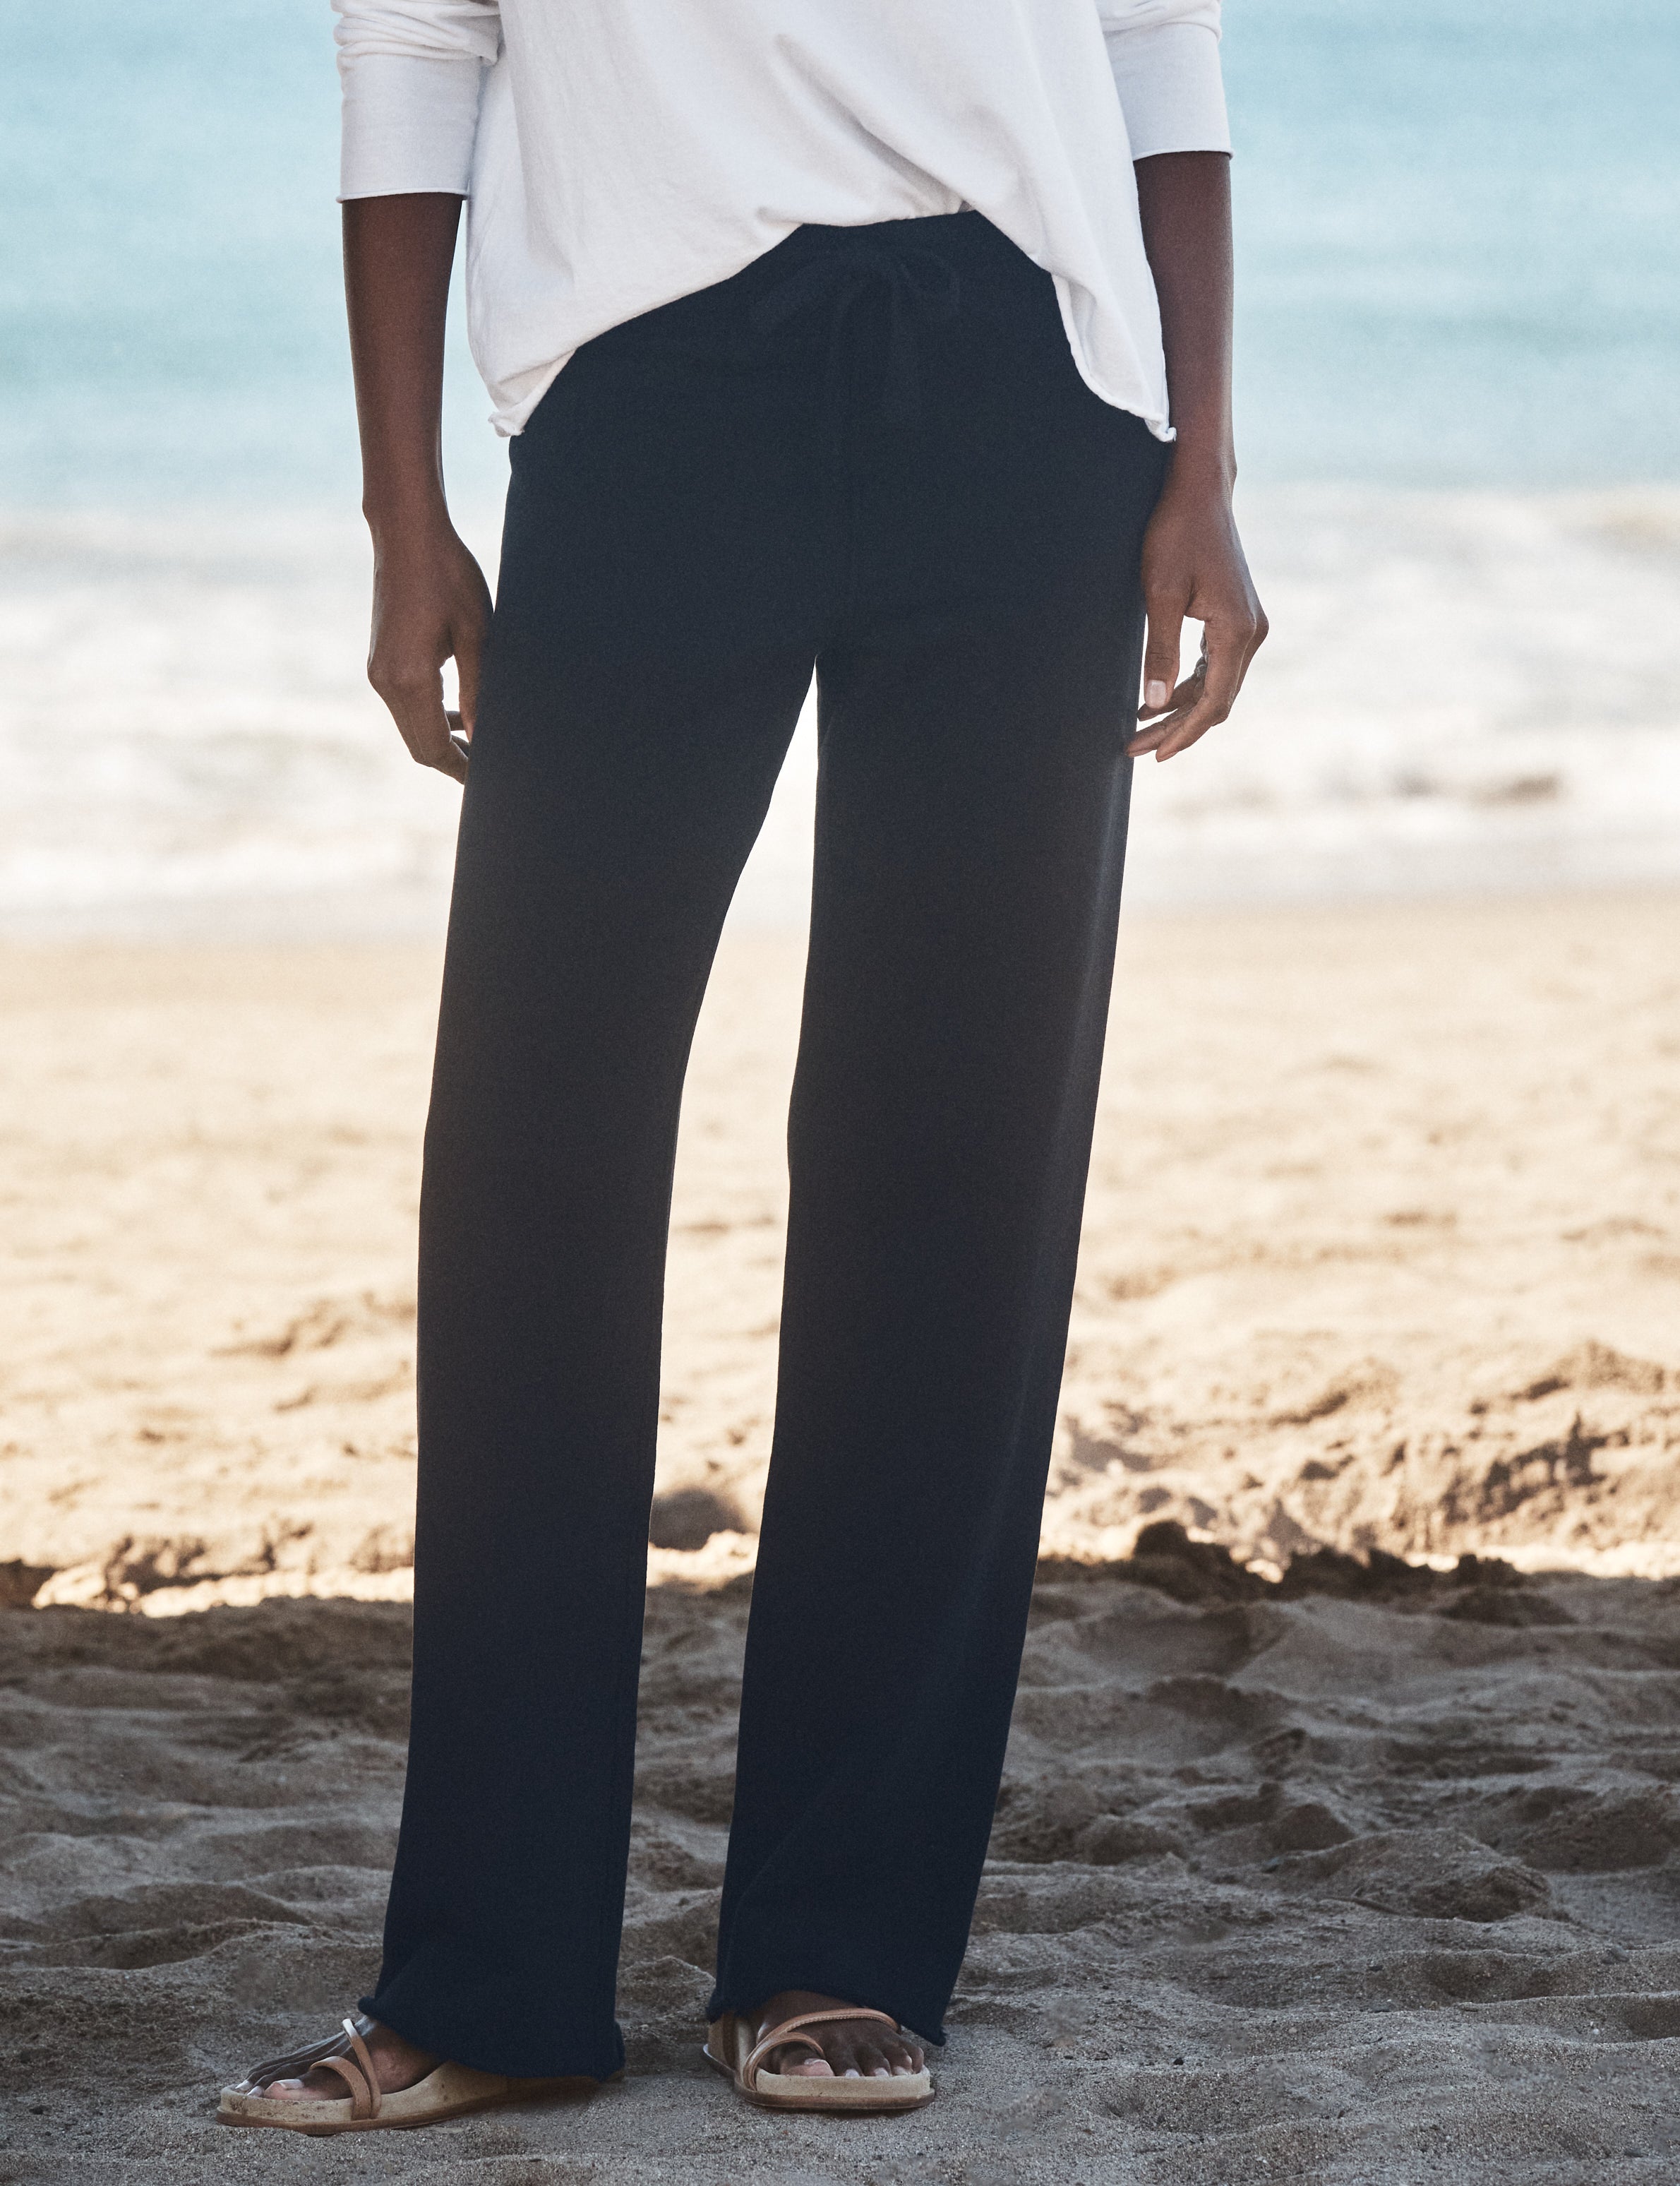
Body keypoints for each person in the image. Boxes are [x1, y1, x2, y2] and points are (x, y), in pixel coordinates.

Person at [217, 0, 1265, 2137]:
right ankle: (487, 1977)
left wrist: (1199, 465)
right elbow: (415, 56)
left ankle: (836, 1948)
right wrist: (401, 512)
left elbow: (1160, 48)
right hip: (646, 399)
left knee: (949, 1170)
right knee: (532, 1153)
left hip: (1028, 404)